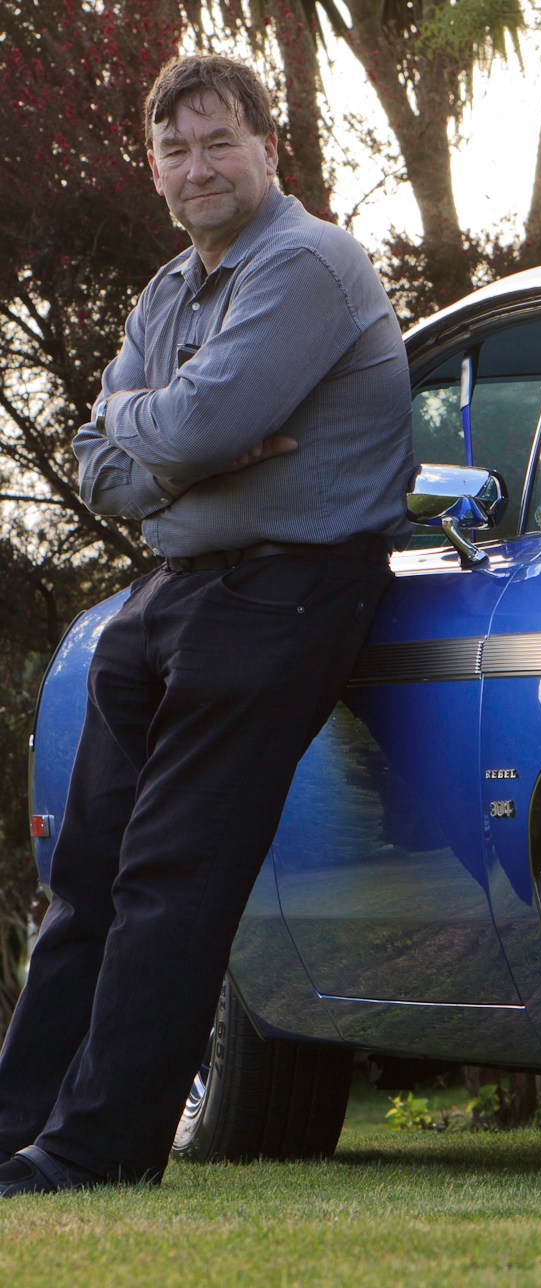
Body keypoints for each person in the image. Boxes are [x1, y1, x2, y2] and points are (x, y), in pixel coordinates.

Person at [0, 54, 413, 1196]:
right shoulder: (171, 292)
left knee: (173, 875)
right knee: (88, 878)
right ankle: (17, 1127)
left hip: (290, 591)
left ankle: (100, 1147)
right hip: (171, 597)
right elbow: (105, 465)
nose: (197, 166)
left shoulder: (311, 263)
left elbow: (191, 427)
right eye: (174, 150)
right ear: (155, 169)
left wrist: (161, 432)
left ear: (267, 147)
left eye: (218, 141)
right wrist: (163, 432)